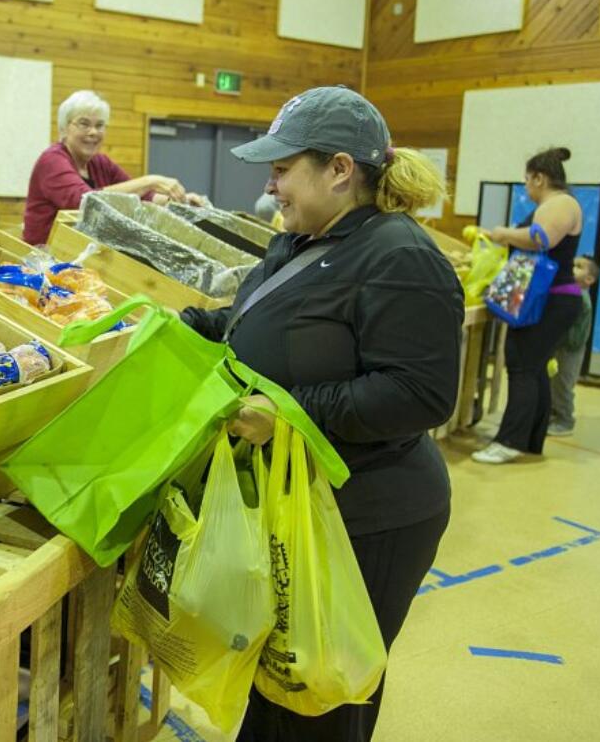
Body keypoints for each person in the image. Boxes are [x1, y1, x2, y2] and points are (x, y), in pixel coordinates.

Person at [180, 86, 461, 742]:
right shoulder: (307, 239)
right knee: (281, 685)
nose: (271, 185)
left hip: (370, 514)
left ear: (339, 170)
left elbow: (419, 393)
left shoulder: (399, 256)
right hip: (300, 504)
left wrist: (289, 414)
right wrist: (186, 326)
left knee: (324, 697)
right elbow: (259, 322)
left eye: (282, 169)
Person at [471, 147, 584, 464]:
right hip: (550, 298)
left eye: (527, 181)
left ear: (540, 178)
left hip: (552, 298)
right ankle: (530, 439)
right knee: (531, 367)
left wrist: (503, 233)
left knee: (522, 365)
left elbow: (541, 238)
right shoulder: (560, 203)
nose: (526, 188)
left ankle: (510, 441)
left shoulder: (561, 203)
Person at [22, 90, 203, 245]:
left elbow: (141, 195)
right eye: (84, 124)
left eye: (100, 125)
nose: (93, 132)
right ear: (64, 128)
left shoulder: (100, 163)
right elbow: (84, 202)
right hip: (43, 260)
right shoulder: (52, 160)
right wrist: (150, 181)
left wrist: (179, 200)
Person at [547, 255, 600, 437]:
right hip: (562, 348)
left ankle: (565, 420)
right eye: (573, 264)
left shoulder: (581, 299)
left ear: (589, 279)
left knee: (563, 383)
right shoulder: (572, 294)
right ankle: (554, 413)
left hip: (571, 350)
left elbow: (577, 334)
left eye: (579, 266)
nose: (573, 268)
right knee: (555, 382)